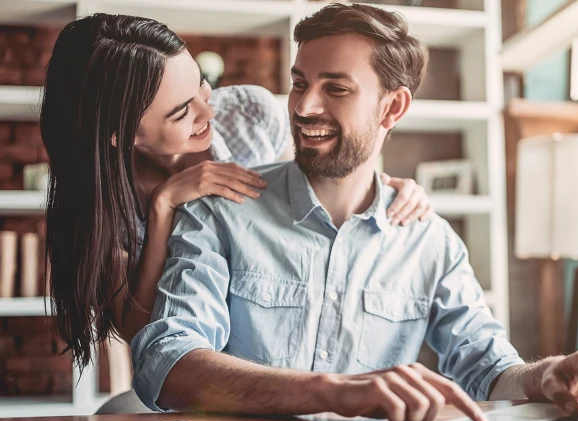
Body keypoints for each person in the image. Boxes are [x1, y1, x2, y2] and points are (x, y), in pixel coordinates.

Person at [131, 3, 578, 421]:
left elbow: (489, 369)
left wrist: (544, 374)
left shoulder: (430, 242)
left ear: (392, 107)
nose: (304, 106)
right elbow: (166, 364)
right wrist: (333, 390)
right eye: (300, 84)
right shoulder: (220, 210)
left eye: (336, 88)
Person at [39, 12, 434, 368]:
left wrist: (379, 186)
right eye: (182, 111)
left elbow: (313, 182)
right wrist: (163, 206)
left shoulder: (250, 115)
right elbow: (138, 331)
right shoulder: (100, 201)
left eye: (202, 86)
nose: (209, 112)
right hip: (197, 373)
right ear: (121, 135)